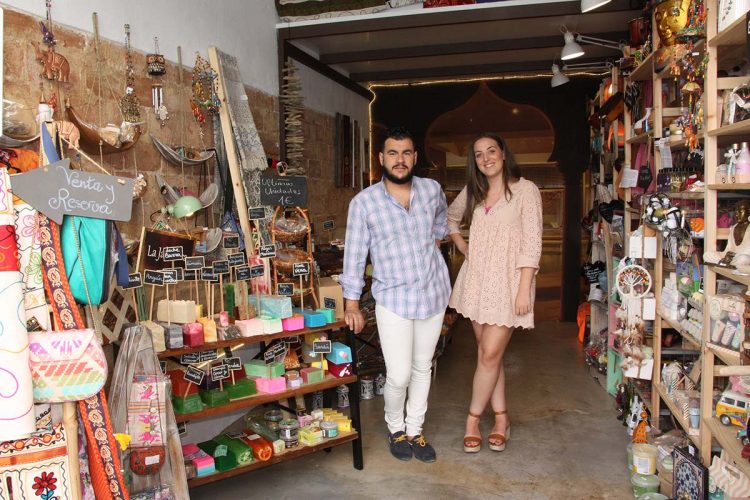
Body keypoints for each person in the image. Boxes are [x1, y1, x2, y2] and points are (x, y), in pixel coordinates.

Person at [340, 126, 451, 463]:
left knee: (422, 368)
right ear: (381, 158)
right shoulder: (364, 203)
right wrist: (352, 303)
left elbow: (441, 227)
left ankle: (415, 430)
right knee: (399, 372)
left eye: (406, 153)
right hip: (393, 299)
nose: (399, 160)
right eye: (392, 153)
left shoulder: (432, 190)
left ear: (415, 157)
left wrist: (427, 253)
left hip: (432, 293)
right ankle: (395, 427)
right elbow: (355, 255)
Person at [446, 133, 542, 453]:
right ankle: (501, 419)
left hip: (508, 285)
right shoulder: (475, 192)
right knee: (490, 356)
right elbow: (450, 217)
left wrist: (523, 289)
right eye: (478, 154)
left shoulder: (526, 191)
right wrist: (462, 246)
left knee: (488, 354)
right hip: (476, 282)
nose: (485, 158)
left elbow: (532, 244)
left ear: (503, 153)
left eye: (491, 151)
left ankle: (472, 420)